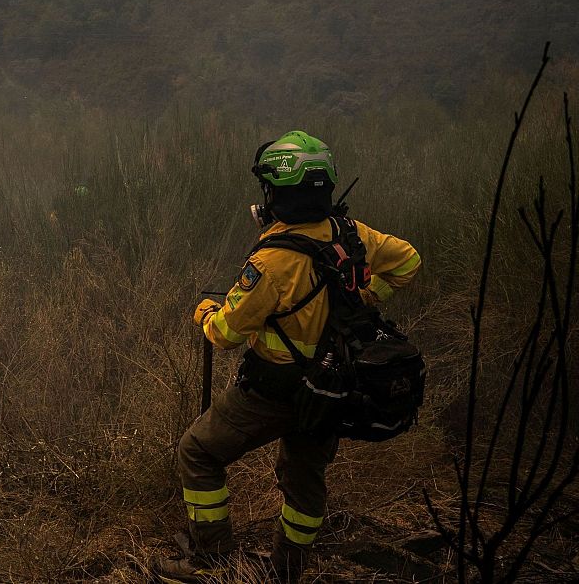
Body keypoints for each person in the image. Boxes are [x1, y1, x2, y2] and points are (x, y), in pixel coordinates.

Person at [156, 131, 422, 583]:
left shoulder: (272, 261)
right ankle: (287, 570)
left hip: (272, 390)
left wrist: (205, 313)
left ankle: (211, 559)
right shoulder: (353, 234)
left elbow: (224, 334)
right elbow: (408, 261)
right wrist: (367, 298)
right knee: (303, 480)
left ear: (277, 191)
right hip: (334, 388)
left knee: (197, 452)